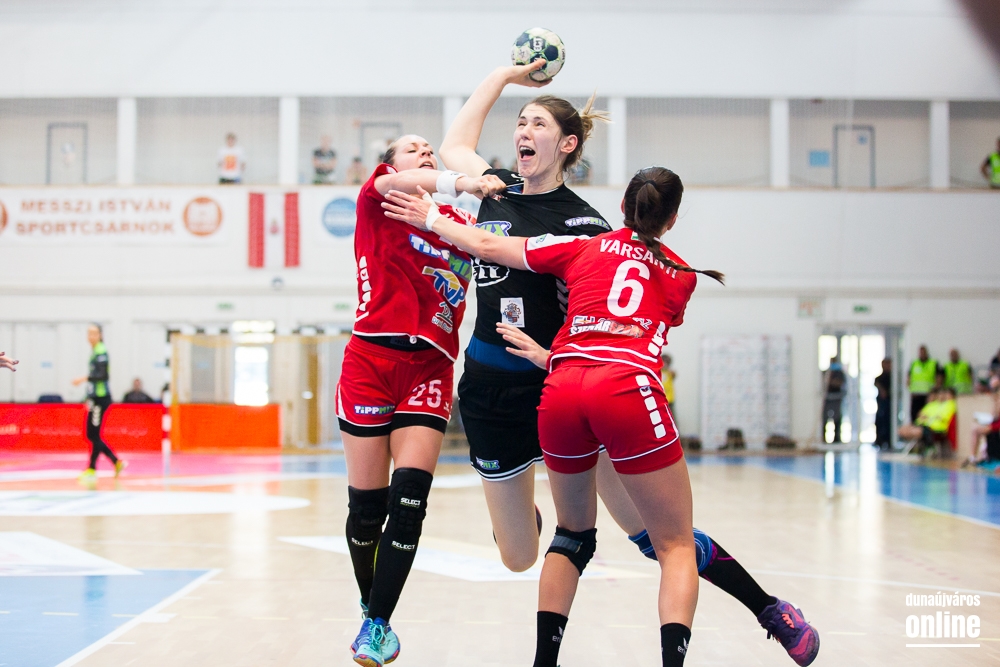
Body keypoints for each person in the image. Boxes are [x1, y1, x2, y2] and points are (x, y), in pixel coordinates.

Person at [434, 61, 817, 666]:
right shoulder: (494, 187)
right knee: (518, 555)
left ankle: (768, 607)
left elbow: (600, 317)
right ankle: (523, 514)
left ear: (567, 144)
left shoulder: (587, 227)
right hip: (491, 393)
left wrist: (553, 352)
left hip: (562, 387)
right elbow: (454, 144)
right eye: (519, 122)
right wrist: (505, 76)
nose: (522, 131)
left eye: (537, 124)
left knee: (653, 536)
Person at [335, 134, 507, 667]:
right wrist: (464, 180)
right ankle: (370, 603)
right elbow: (405, 181)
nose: (425, 152)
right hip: (370, 362)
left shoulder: (456, 225)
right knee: (367, 511)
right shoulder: (380, 197)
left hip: (430, 367)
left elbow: (501, 248)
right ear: (390, 165)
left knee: (409, 503)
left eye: (430, 147)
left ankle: (378, 624)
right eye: (412, 148)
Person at [71, 325, 125, 483]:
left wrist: (83, 378)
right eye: (89, 333)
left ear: (100, 335)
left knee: (93, 434)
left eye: (94, 333)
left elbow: (102, 375)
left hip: (101, 399)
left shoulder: (101, 351)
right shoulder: (95, 351)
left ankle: (101, 466)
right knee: (93, 435)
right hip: (95, 398)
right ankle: (109, 464)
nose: (91, 336)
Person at [899, 388, 957, 456]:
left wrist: (929, 418)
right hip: (926, 425)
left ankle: (919, 448)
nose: (942, 396)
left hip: (936, 428)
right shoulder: (935, 405)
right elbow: (922, 415)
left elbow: (940, 417)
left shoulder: (951, 405)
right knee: (903, 429)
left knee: (916, 431)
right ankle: (913, 447)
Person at [907, 345, 939, 423]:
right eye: (920, 352)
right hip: (916, 395)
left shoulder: (933, 363)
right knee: (915, 417)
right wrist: (910, 390)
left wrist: (934, 393)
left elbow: (938, 379)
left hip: (928, 396)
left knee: (927, 416)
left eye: (923, 352)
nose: (922, 354)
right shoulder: (914, 363)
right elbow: (908, 379)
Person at [822, 356, 846, 443]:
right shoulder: (826, 372)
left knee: (837, 418)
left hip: (836, 398)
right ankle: (824, 439)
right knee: (825, 419)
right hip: (827, 399)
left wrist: (832, 382)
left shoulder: (840, 373)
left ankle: (836, 438)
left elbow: (839, 383)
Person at [874, 358, 892, 449]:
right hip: (882, 404)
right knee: (879, 421)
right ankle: (879, 440)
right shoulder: (879, 378)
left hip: (889, 404)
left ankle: (889, 440)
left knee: (888, 421)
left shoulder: (892, 378)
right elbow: (876, 383)